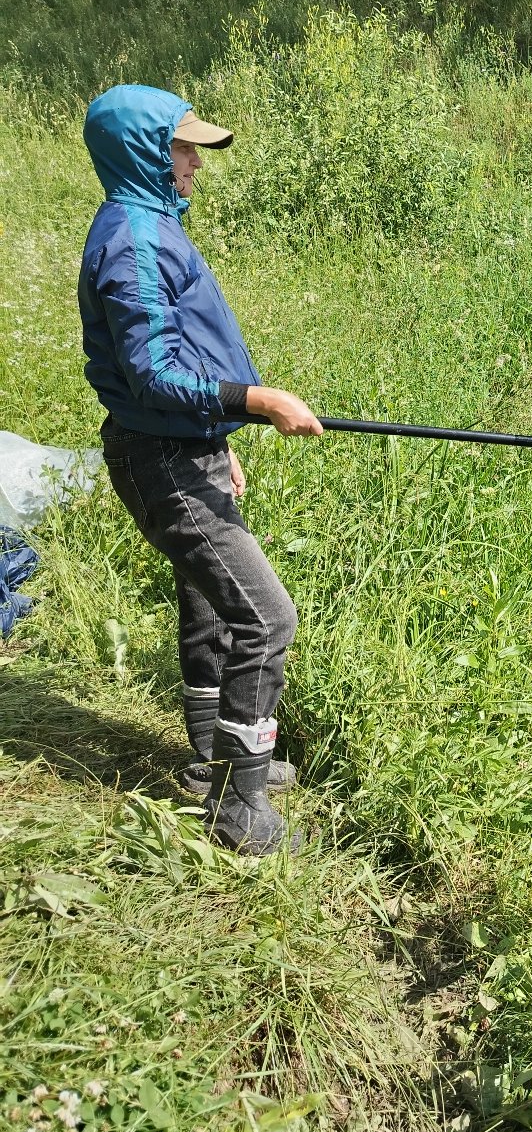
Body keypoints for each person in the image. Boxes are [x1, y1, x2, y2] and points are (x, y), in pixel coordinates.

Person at [77, 84, 322, 856]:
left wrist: (223, 438)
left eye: (194, 148)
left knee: (213, 602)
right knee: (267, 615)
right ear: (144, 151)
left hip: (186, 448)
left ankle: (213, 757)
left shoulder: (150, 225)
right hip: (160, 459)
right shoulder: (134, 241)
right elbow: (150, 375)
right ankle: (238, 808)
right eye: (182, 147)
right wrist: (257, 399)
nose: (193, 161)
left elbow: (183, 360)